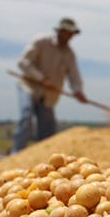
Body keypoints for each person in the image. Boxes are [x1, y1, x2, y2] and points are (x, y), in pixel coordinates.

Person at [12, 17, 88, 153]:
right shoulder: (41, 42)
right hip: (29, 86)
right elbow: (23, 62)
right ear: (60, 31)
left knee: (47, 128)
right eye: (67, 33)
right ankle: (16, 153)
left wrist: (78, 91)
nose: (70, 36)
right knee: (26, 115)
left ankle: (44, 158)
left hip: (49, 95)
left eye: (72, 34)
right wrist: (41, 78)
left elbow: (74, 75)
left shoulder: (69, 54)